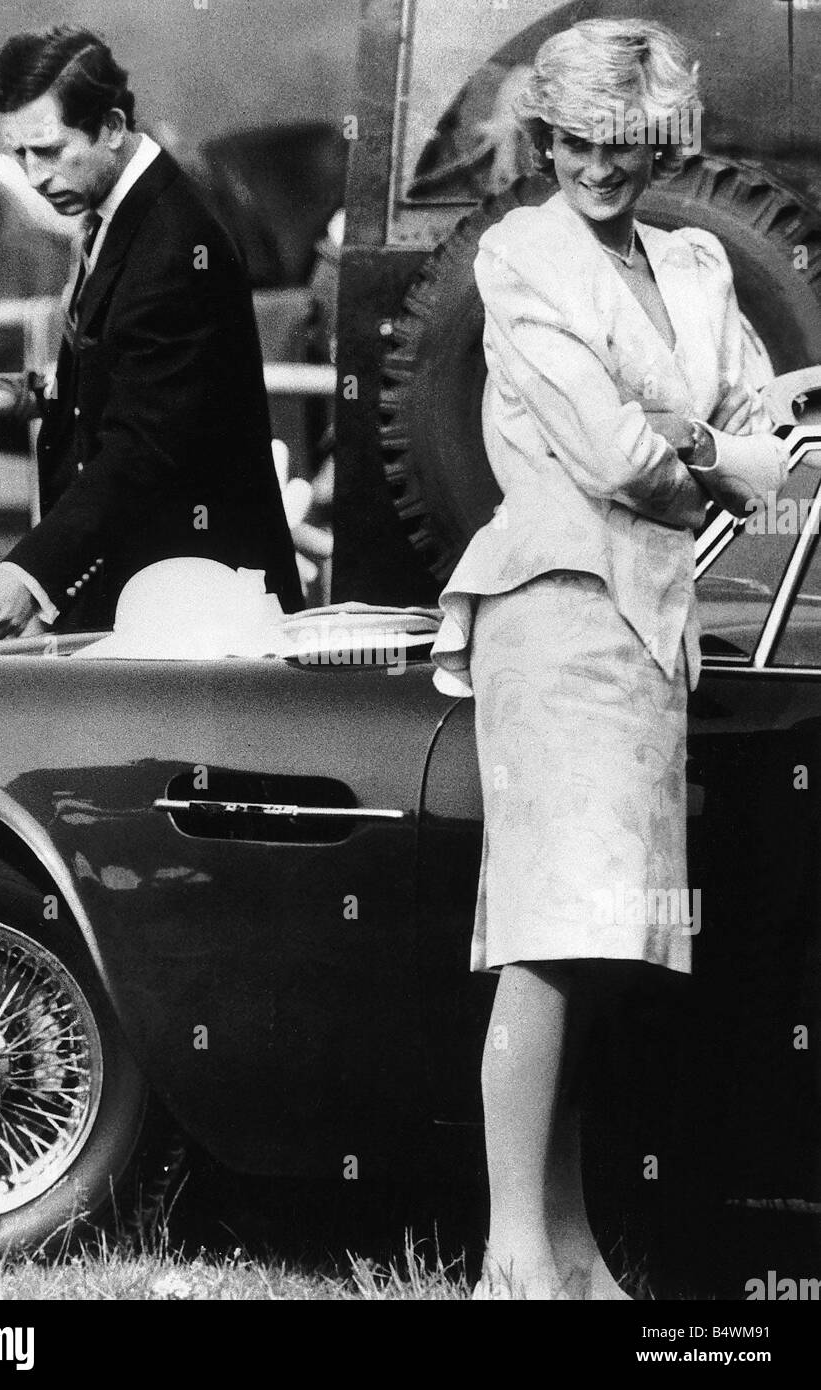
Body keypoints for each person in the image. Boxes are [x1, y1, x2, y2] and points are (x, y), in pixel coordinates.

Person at [429, 18, 789, 1299]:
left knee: (597, 947)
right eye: (573, 141)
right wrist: (719, 455)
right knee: (546, 932)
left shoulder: (690, 260)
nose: (596, 166)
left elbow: (760, 411)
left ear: (658, 143)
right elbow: (609, 452)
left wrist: (773, 432)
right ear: (542, 137)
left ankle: (567, 1242)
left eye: (623, 146)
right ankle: (509, 1255)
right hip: (552, 608)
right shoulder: (516, 258)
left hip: (648, 626)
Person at [0, 26, 302, 645]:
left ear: (112, 127)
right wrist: (42, 393)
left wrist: (31, 573)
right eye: (19, 156)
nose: (34, 177)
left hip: (197, 611)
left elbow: (147, 443)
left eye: (51, 151)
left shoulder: (172, 240)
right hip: (153, 597)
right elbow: (121, 388)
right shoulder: (120, 214)